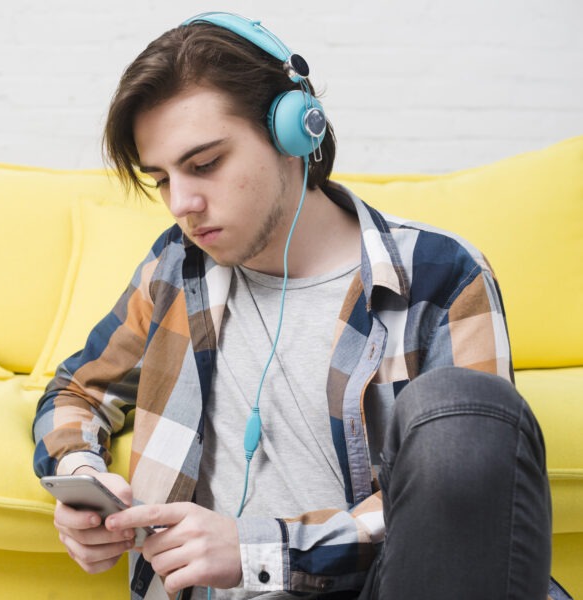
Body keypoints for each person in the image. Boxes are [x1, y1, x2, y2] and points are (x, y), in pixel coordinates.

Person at [32, 12, 558, 600]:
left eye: (205, 164)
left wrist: (258, 550)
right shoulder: (176, 269)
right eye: (162, 178)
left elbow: (468, 503)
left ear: (294, 134)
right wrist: (84, 481)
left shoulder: (441, 276)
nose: (182, 202)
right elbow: (75, 392)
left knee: (464, 409)